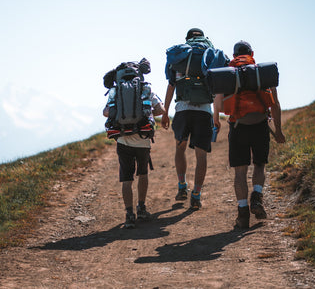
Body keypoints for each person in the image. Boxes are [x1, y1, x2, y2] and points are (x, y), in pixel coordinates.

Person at [213, 40, 286, 229]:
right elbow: (275, 104)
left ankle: (243, 214)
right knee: (260, 165)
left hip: (238, 127)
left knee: (240, 172)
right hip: (261, 125)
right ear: (252, 52)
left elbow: (220, 106)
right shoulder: (263, 72)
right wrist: (278, 131)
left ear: (234, 54)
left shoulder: (227, 74)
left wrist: (216, 119)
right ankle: (257, 197)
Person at [162, 28, 221, 210]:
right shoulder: (210, 54)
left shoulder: (180, 55)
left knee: (180, 148)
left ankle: (182, 186)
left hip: (182, 109)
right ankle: (196, 194)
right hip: (204, 110)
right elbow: (219, 87)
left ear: (187, 39)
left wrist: (165, 112)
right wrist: (216, 117)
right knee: (201, 155)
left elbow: (171, 85)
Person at [103, 69, 165, 229]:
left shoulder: (115, 92)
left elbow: (106, 112)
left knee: (126, 178)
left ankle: (129, 214)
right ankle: (141, 208)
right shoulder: (145, 90)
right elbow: (161, 110)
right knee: (142, 174)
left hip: (123, 140)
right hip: (143, 141)